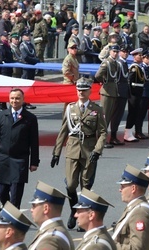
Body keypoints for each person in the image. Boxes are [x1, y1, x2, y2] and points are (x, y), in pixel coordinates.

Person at [51, 77, 107, 230]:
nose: (81, 92)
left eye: (84, 89)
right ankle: (74, 209)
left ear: (90, 91)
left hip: (89, 149)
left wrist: (97, 150)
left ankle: (83, 220)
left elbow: (102, 133)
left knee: (86, 186)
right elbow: (63, 131)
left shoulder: (97, 109)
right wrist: (56, 152)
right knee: (70, 185)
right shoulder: (70, 108)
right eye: (79, 89)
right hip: (73, 148)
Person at [0, 88, 39, 209]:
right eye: (12, 98)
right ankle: (7, 208)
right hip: (3, 160)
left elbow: (34, 142)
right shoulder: (2, 115)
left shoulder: (30, 118)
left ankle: (13, 219)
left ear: (23, 100)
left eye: (17, 98)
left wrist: (34, 162)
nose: (14, 101)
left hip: (20, 161)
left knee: (15, 195)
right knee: (1, 191)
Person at [112, 165, 149, 249]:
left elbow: (138, 248)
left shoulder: (140, 212)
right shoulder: (135, 207)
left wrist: (112, 246)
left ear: (133, 188)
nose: (120, 190)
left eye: (123, 186)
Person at [28, 181, 74, 250]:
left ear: (46, 208)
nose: (31, 209)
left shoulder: (49, 240)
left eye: (34, 206)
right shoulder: (51, 231)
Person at [95, 44, 120, 148]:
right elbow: (97, 76)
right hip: (106, 91)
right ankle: (100, 141)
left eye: (116, 52)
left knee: (108, 117)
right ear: (110, 52)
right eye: (113, 51)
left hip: (113, 91)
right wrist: (104, 81)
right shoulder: (107, 63)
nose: (115, 53)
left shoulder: (115, 63)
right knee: (104, 117)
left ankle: (103, 139)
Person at [124, 48, 144, 142]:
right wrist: (131, 94)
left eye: (141, 55)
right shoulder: (134, 67)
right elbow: (129, 81)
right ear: (134, 56)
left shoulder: (139, 67)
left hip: (138, 92)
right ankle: (127, 133)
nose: (141, 57)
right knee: (132, 113)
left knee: (136, 113)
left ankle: (130, 132)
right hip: (134, 93)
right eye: (139, 55)